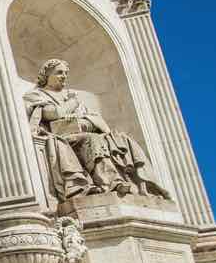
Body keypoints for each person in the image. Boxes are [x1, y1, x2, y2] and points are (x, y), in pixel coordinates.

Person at [24, 59, 170, 202]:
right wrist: (73, 103)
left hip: (82, 134)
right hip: (61, 137)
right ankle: (112, 183)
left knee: (121, 138)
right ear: (47, 75)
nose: (64, 76)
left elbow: (91, 117)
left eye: (66, 73)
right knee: (92, 139)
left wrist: (88, 121)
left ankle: (146, 185)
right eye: (59, 72)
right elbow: (55, 113)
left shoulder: (69, 97)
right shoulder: (37, 95)